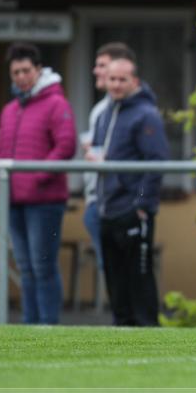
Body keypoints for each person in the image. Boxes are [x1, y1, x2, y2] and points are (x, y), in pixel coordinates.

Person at [0, 43, 76, 324]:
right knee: (25, 268)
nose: (21, 76)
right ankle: (30, 325)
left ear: (38, 70)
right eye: (15, 72)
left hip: (44, 200)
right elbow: (0, 149)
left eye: (26, 70)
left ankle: (48, 326)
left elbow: (65, 146)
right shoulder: (10, 109)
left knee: (43, 267)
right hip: (14, 199)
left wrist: (37, 176)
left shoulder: (56, 104)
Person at [93, 57, 169, 326]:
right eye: (112, 79)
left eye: (122, 79)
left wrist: (141, 205)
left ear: (134, 81)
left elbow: (156, 163)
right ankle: (121, 331)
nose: (115, 84)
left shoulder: (146, 115)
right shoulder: (104, 114)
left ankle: (148, 333)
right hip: (107, 208)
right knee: (115, 280)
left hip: (132, 210)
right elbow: (102, 157)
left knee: (139, 278)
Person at [80, 42, 136, 281]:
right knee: (112, 272)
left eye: (101, 65)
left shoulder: (126, 109)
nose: (96, 71)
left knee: (121, 273)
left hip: (116, 201)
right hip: (97, 199)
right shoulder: (101, 109)